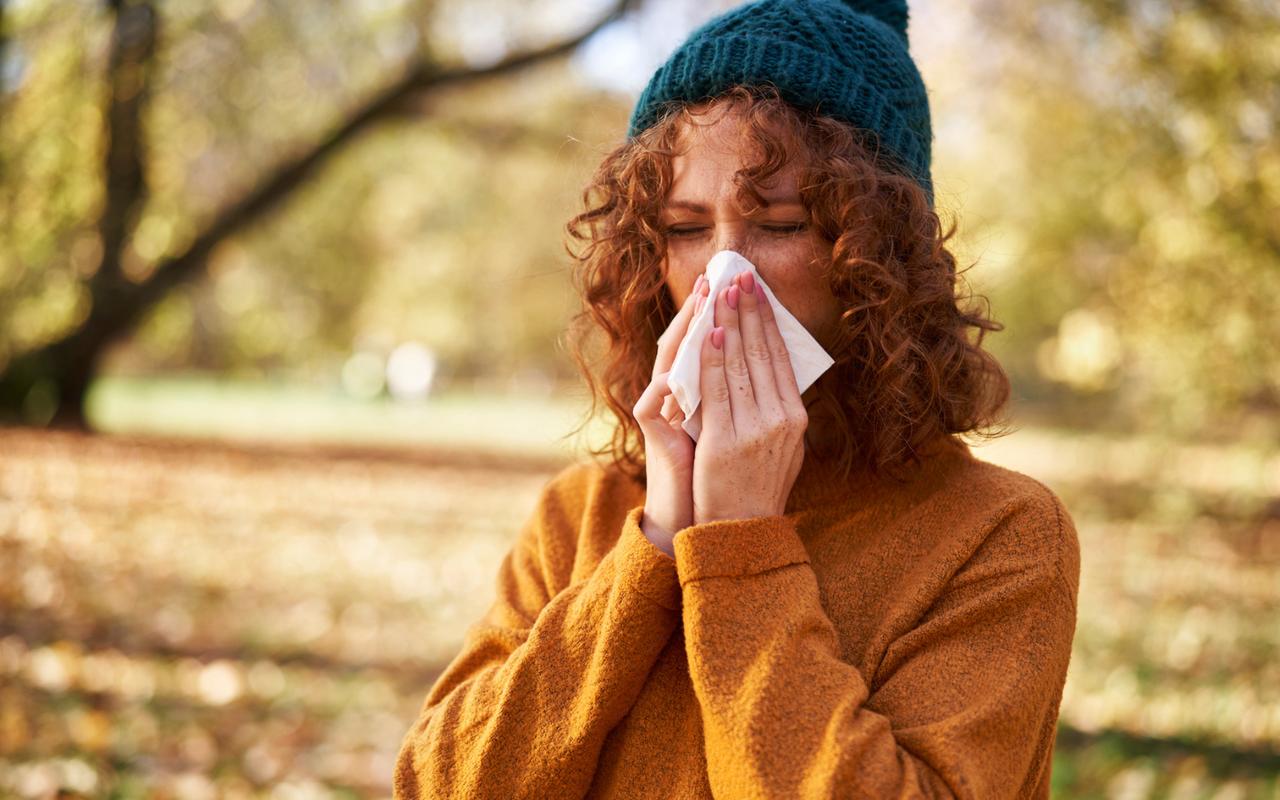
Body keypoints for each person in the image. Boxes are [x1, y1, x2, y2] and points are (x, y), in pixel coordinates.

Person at [394, 0, 1079, 797]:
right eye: (686, 229)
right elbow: (440, 784)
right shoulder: (580, 516)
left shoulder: (996, 536)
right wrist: (653, 545)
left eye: (782, 224)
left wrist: (743, 548)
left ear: (880, 256)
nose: (725, 274)